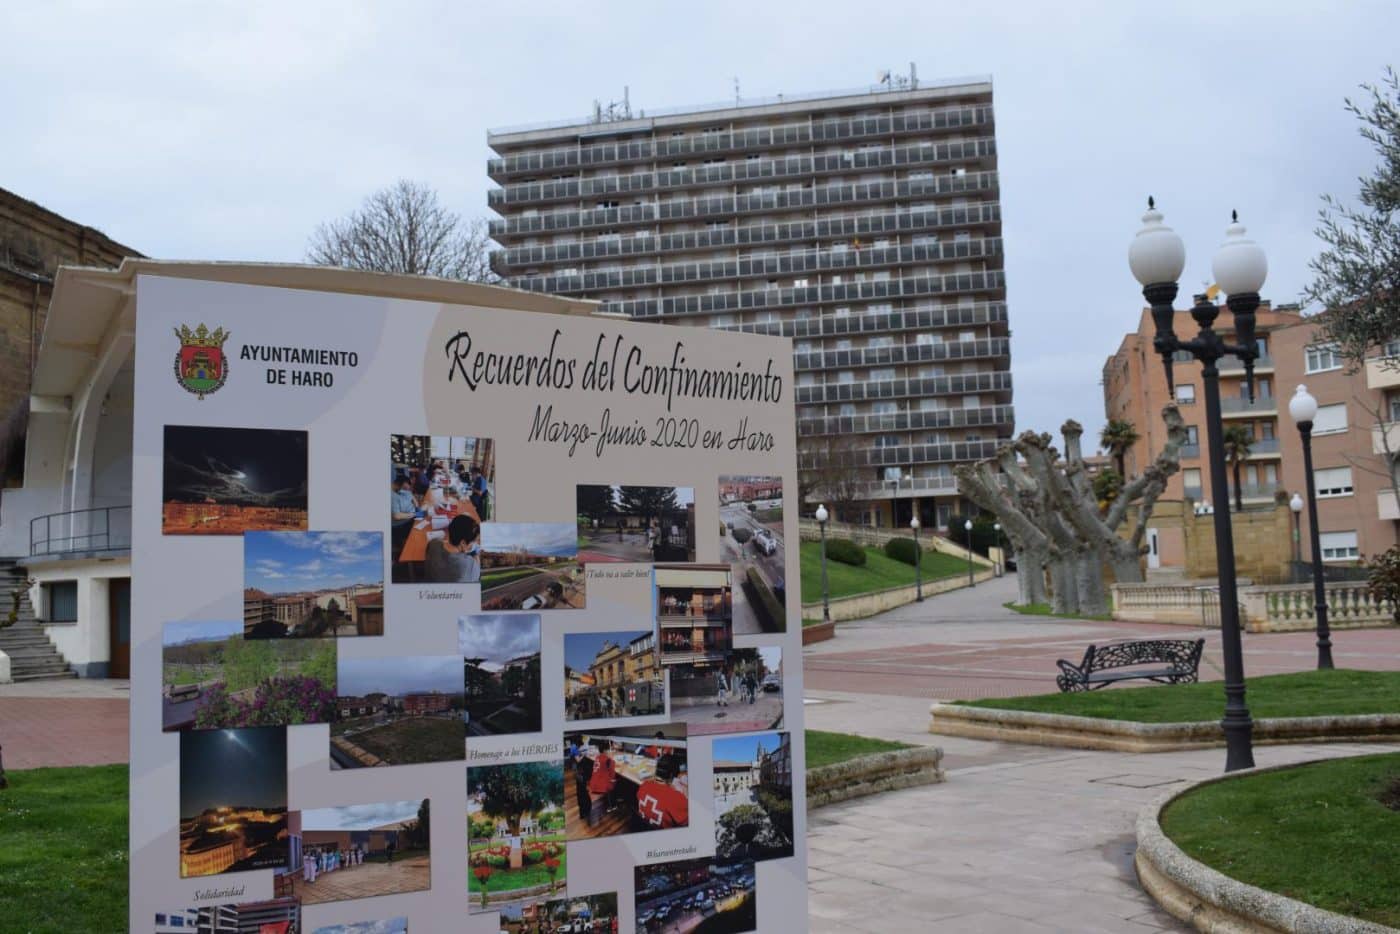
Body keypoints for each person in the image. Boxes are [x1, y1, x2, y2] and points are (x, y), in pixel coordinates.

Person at [636, 753, 688, 830]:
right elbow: (686, 822)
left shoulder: (644, 785)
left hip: (644, 828)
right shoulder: (676, 798)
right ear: (671, 776)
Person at [425, 514, 481, 583]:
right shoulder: (470, 565)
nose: (476, 544)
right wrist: (476, 556)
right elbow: (476, 574)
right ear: (463, 543)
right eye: (474, 541)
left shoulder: (433, 543)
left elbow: (442, 542)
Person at [586, 740, 616, 827]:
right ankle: (612, 805)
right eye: (610, 749)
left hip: (592, 783)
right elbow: (613, 776)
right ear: (607, 750)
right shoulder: (609, 760)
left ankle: (609, 801)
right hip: (600, 786)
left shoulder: (597, 757)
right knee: (615, 783)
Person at [573, 744, 594, 830]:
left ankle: (583, 813)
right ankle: (586, 813)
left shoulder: (578, 751)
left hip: (580, 777)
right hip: (582, 777)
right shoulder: (575, 751)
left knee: (581, 794)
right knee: (583, 795)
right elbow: (578, 760)